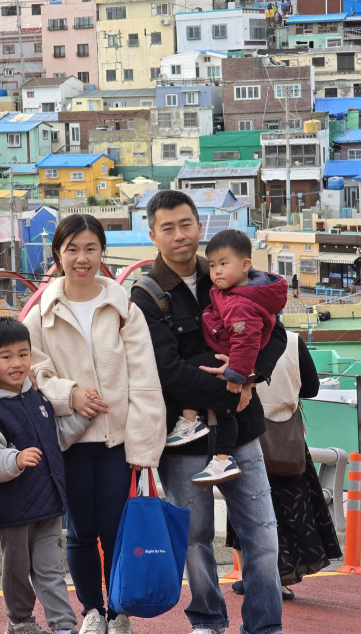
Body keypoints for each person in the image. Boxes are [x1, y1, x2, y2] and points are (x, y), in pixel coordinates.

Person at [130, 190, 286, 634]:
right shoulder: (146, 295)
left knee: (262, 534)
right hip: (186, 435)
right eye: (168, 227)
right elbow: (165, 370)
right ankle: (207, 620)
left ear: (200, 225)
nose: (179, 235)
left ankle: (264, 625)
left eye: (186, 224)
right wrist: (230, 390)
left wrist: (250, 374)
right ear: (152, 234)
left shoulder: (233, 269)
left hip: (243, 432)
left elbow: (276, 334)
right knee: (195, 538)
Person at [24, 214, 166, 634]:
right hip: (69, 439)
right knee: (82, 530)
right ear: (58, 254)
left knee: (116, 528)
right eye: (72, 249)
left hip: (117, 441)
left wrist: (144, 447)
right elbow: (32, 371)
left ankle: (119, 609)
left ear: (102, 252)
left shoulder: (124, 308)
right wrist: (69, 393)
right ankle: (91, 609)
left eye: (90, 248)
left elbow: (144, 378)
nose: (81, 258)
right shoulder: (42, 313)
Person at [0, 316, 89, 634]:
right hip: (13, 508)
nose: (17, 362)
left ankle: (64, 626)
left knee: (51, 568)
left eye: (23, 354)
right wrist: (16, 459)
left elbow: (56, 436)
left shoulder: (38, 398)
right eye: (6, 356)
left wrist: (83, 416)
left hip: (49, 501)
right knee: (17, 568)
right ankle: (20, 621)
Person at [166, 230, 287, 487]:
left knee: (190, 370)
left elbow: (247, 341)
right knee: (226, 411)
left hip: (231, 356)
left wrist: (240, 375)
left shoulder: (240, 301)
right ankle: (223, 457)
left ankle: (191, 420)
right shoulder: (234, 290)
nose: (217, 271)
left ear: (245, 265)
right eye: (212, 265)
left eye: (223, 264)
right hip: (229, 354)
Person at [228, 330, 341, 599]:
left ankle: (248, 576)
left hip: (242, 433)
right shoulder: (291, 340)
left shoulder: (233, 335)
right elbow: (312, 388)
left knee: (244, 504)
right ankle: (277, 578)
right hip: (285, 439)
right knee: (289, 509)